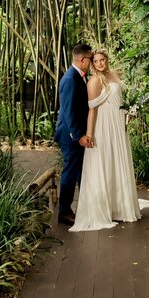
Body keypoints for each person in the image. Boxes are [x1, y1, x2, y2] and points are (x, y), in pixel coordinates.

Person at [70, 50, 142, 232]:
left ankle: (121, 207)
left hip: (118, 125)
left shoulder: (115, 74)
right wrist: (89, 134)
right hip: (104, 126)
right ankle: (105, 208)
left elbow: (124, 99)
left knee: (119, 161)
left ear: (107, 60)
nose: (100, 63)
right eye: (96, 61)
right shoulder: (94, 81)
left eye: (102, 60)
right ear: (92, 63)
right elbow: (92, 110)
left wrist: (129, 112)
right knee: (105, 161)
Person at [54, 43, 94, 226]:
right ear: (82, 59)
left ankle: (83, 207)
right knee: (70, 172)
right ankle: (64, 212)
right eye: (91, 59)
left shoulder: (79, 76)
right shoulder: (71, 79)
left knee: (79, 171)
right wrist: (79, 136)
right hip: (70, 134)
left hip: (75, 132)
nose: (92, 62)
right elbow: (69, 111)